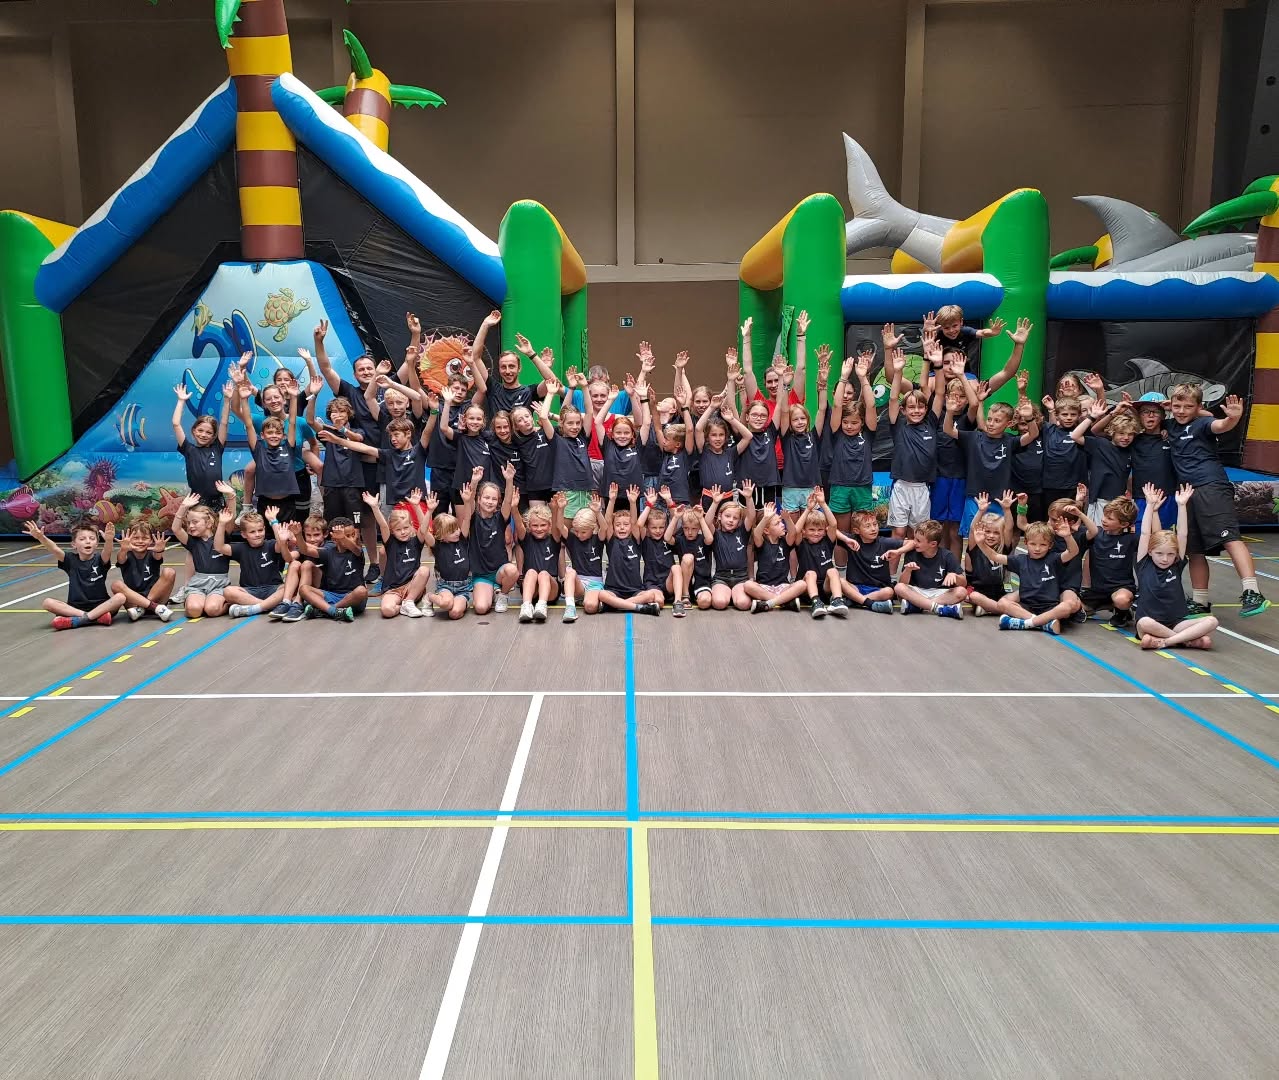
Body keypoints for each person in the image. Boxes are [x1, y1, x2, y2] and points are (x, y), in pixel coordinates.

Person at [1165, 386, 1269, 618]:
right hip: (1186, 492)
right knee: (1193, 549)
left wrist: (1233, 418)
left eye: (1188, 407)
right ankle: (1200, 601)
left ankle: (1253, 592)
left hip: (1210, 486)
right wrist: (1168, 407)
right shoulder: (1170, 425)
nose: (1181, 411)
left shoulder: (1203, 424)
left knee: (1229, 537)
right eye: (1177, 406)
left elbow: (1219, 425)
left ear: (1199, 407)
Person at [310, 319, 387, 588]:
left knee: (372, 517)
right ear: (354, 375)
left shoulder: (387, 394)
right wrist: (319, 341)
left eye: (369, 368)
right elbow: (326, 368)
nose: (365, 372)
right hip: (354, 466)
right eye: (361, 369)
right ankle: (352, 564)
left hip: (378, 464)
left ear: (376, 371)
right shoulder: (348, 392)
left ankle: (378, 565)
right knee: (354, 518)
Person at [1134, 483, 1219, 648]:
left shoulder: (1176, 565)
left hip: (1176, 623)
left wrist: (1181, 506)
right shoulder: (1144, 563)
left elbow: (1182, 534)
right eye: (1159, 553)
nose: (1165, 559)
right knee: (1144, 623)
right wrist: (1149, 505)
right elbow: (1145, 533)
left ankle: (1166, 641)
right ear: (1150, 551)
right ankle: (1187, 640)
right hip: (1151, 623)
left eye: (1170, 554)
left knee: (1212, 621)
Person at [23, 519, 125, 629]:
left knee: (120, 597)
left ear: (96, 544)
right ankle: (92, 617)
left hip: (101, 606)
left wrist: (109, 540)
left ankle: (80, 620)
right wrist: (41, 537)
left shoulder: (100, 559)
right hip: (75, 608)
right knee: (47, 603)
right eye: (82, 539)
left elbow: (107, 551)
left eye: (92, 538)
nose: (88, 541)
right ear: (73, 544)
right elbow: (54, 549)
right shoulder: (70, 560)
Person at [983, 518, 1080, 634]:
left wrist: (1068, 536)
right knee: (1002, 603)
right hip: (1026, 607)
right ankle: (1041, 623)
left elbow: (1073, 551)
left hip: (1050, 608)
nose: (1037, 548)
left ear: (1050, 545)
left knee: (1066, 607)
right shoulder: (1020, 560)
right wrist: (980, 543)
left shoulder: (1054, 559)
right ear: (1025, 542)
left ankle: (1026, 623)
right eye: (1033, 544)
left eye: (1043, 544)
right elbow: (994, 556)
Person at [825, 355, 878, 559]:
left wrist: (863, 378)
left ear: (862, 423)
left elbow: (871, 406)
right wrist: (843, 377)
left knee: (864, 530)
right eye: (846, 422)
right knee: (842, 532)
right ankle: (841, 569)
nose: (848, 426)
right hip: (840, 486)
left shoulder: (868, 433)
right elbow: (838, 406)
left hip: (862, 487)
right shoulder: (837, 432)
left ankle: (863, 567)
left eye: (854, 423)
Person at [886, 346, 938, 538]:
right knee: (899, 531)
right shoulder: (898, 425)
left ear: (926, 409)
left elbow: (939, 393)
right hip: (901, 486)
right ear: (903, 410)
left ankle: (913, 559)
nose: (916, 411)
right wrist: (898, 372)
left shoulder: (931, 424)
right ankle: (893, 560)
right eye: (911, 407)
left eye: (920, 407)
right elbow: (893, 399)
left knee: (918, 533)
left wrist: (935, 363)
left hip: (922, 488)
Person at [233, 377, 300, 522]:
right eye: (269, 433)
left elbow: (292, 422)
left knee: (287, 535)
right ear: (262, 435)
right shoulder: (258, 450)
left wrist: (294, 397)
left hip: (287, 504)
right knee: (267, 536)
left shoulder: (288, 447)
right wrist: (244, 399)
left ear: (283, 435)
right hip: (265, 504)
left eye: (277, 433)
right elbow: (249, 424)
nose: (274, 435)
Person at [363, 490, 433, 618]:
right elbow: (383, 525)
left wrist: (418, 507)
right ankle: (404, 607)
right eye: (398, 529)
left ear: (411, 526)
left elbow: (423, 528)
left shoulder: (416, 541)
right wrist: (375, 508)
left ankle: (409, 601)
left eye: (406, 528)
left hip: (412, 586)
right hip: (393, 589)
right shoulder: (390, 542)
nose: (403, 532)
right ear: (392, 531)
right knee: (387, 610)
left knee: (424, 570)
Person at [599, 484, 663, 614]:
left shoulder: (635, 540)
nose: (622, 527)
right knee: (601, 594)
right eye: (618, 525)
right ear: (614, 527)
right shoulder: (612, 540)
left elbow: (635, 522)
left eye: (625, 524)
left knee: (651, 595)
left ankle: (616, 605)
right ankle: (637, 607)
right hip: (613, 589)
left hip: (635, 590)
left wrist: (633, 503)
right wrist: (612, 500)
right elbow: (607, 521)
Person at [776, 367, 828, 526]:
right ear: (790, 423)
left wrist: (823, 384)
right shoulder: (787, 438)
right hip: (791, 488)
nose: (799, 422)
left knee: (812, 529)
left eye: (802, 419)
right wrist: (786, 386)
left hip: (811, 488)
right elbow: (784, 411)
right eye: (795, 419)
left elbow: (822, 409)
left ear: (807, 419)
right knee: (793, 530)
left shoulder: (814, 436)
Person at [214, 506, 287, 619]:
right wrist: (222, 524)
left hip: (273, 588)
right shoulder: (240, 548)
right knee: (228, 591)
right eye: (252, 532)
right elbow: (219, 547)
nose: (257, 534)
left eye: (260, 530)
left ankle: (255, 608)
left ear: (264, 529)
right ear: (244, 534)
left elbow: (281, 542)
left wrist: (273, 521)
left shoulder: (271, 545)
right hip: (250, 591)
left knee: (288, 588)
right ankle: (267, 606)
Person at [1071, 398, 1135, 524]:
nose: (1126, 437)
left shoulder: (1130, 449)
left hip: (1120, 502)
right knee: (1098, 532)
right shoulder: (1100, 444)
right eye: (1121, 433)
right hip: (1099, 501)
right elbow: (1075, 436)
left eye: (1130, 434)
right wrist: (1091, 417)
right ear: (1112, 433)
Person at [1077, 495, 1138, 627]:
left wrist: (1152, 508)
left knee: (1121, 600)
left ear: (1124, 524)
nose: (1104, 520)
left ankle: (1122, 612)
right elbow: (1076, 527)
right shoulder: (1096, 534)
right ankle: (1101, 605)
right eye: (1104, 516)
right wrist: (1079, 502)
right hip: (1096, 590)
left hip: (1120, 588)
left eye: (1110, 518)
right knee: (1073, 607)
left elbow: (1150, 536)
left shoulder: (1131, 539)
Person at [295, 514, 370, 621]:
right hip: (332, 595)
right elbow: (305, 550)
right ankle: (334, 612)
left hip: (353, 598)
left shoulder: (357, 552)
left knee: (361, 591)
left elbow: (355, 549)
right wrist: (298, 535)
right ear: (334, 539)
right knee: (304, 589)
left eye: (352, 535)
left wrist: (343, 538)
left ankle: (328, 610)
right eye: (347, 536)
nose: (352, 538)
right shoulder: (328, 552)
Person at [467, 463, 519, 615]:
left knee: (512, 570)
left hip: (499, 571)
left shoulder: (500, 518)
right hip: (481, 575)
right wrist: (474, 481)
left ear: (498, 502)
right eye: (486, 498)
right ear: (479, 499)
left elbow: (508, 501)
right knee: (481, 608)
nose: (490, 501)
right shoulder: (473, 518)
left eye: (494, 499)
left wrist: (509, 479)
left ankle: (503, 594)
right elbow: (469, 501)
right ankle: (490, 591)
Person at [171, 379, 232, 508]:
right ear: (194, 431)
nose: (203, 435)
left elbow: (224, 423)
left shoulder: (217, 448)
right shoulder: (188, 449)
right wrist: (181, 401)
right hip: (196, 502)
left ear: (214, 435)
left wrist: (227, 400)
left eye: (209, 432)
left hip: (217, 502)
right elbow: (176, 424)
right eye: (200, 430)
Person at [171, 491, 232, 618]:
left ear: (209, 523)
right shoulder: (192, 542)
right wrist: (183, 507)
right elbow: (176, 529)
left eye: (195, 522)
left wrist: (231, 496)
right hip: (198, 584)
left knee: (212, 609)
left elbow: (231, 516)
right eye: (189, 523)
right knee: (194, 610)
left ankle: (228, 603)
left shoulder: (221, 537)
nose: (190, 526)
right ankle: (193, 600)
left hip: (219, 584)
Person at [838, 510, 912, 614]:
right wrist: (846, 539)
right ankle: (867, 602)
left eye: (875, 524)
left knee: (889, 592)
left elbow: (912, 543)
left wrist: (898, 552)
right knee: (840, 581)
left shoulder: (883, 542)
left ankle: (856, 600)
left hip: (878, 589)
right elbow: (830, 529)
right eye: (867, 526)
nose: (873, 529)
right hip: (856, 587)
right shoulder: (852, 541)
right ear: (857, 530)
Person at [791, 489, 848, 618]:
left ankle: (837, 600)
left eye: (820, 530)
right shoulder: (802, 544)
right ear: (804, 531)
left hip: (825, 588)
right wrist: (808, 509)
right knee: (811, 573)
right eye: (811, 530)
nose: (816, 533)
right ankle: (815, 602)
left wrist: (822, 504)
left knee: (833, 571)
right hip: (807, 589)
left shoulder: (827, 541)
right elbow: (796, 530)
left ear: (824, 531)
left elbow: (833, 524)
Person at [894, 519, 966, 618]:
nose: (914, 542)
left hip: (939, 593)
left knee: (962, 592)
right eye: (914, 539)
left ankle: (919, 605)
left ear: (933, 544)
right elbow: (903, 583)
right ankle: (939, 608)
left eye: (918, 541)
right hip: (918, 591)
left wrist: (955, 576)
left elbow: (963, 583)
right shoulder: (911, 554)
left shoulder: (947, 556)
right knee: (899, 588)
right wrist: (908, 570)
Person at [746, 502, 810, 613]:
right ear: (766, 530)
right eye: (777, 523)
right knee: (748, 585)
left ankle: (769, 603)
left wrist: (788, 519)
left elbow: (793, 533)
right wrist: (766, 518)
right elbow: (756, 533)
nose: (782, 525)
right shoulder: (761, 543)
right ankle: (784, 601)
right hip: (764, 587)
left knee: (802, 584)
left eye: (781, 522)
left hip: (783, 587)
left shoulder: (785, 542)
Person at [423, 484, 475, 620]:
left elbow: (467, 518)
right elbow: (423, 531)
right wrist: (429, 511)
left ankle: (462, 603)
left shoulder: (462, 539)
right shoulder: (437, 545)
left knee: (455, 613)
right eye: (452, 531)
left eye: (457, 528)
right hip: (445, 585)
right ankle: (429, 597)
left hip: (463, 587)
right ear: (441, 534)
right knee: (446, 603)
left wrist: (467, 502)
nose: (457, 532)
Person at [540, 392, 593, 516]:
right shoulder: (556, 439)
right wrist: (550, 393)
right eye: (570, 423)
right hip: (566, 491)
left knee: (586, 526)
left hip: (586, 491)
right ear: (561, 423)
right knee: (564, 527)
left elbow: (590, 412)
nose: (575, 427)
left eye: (578, 423)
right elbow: (543, 417)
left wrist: (585, 387)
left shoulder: (583, 437)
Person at [706, 481, 757, 611]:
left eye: (735, 518)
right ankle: (727, 593)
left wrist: (749, 498)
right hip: (721, 577)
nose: (731, 520)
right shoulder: (716, 534)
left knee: (743, 604)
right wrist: (715, 503)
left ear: (739, 521)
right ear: (720, 517)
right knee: (719, 603)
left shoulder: (742, 532)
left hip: (741, 577)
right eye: (727, 516)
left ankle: (736, 594)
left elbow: (751, 516)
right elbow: (707, 522)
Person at [111, 523, 175, 622]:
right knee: (116, 585)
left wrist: (159, 550)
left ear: (151, 540)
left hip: (156, 598)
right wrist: (123, 549)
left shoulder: (153, 553)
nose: (140, 541)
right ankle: (152, 607)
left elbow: (157, 556)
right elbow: (120, 559)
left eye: (144, 538)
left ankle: (145, 606)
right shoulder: (126, 555)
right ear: (129, 539)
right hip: (134, 602)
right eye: (136, 538)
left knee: (169, 572)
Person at [964, 491, 1015, 616]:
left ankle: (990, 608)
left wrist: (1007, 510)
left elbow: (1009, 528)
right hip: (978, 592)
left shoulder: (1003, 549)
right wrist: (981, 511)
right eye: (987, 531)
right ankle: (1003, 609)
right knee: (973, 596)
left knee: (1020, 594)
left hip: (999, 593)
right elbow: (972, 529)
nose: (991, 536)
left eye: (996, 533)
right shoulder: (975, 547)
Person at [514, 498, 563, 623]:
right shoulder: (526, 539)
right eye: (535, 525)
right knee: (531, 572)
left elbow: (557, 526)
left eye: (543, 525)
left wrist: (555, 510)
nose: (539, 528)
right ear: (529, 526)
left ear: (549, 525)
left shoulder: (554, 539)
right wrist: (514, 508)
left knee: (543, 574)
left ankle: (542, 605)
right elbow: (519, 525)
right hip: (531, 589)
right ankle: (526, 606)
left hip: (550, 589)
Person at [637, 489, 685, 615]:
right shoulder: (645, 539)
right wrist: (649, 504)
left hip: (668, 583)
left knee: (676, 567)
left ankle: (678, 602)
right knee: (659, 601)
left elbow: (676, 520)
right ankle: (652, 598)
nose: (658, 531)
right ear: (648, 528)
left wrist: (669, 501)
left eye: (661, 527)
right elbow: (639, 524)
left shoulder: (668, 538)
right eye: (654, 527)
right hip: (652, 583)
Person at [562, 495, 607, 622]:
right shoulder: (572, 539)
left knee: (590, 607)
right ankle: (570, 607)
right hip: (579, 583)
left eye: (583, 532)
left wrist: (597, 512)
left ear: (592, 528)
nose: (579, 535)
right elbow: (560, 526)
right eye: (576, 531)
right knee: (570, 572)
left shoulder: (598, 539)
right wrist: (560, 509)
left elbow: (604, 527)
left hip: (595, 583)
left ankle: (591, 599)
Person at [1040, 395, 1086, 507]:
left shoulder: (1082, 432)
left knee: (1072, 515)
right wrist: (1051, 410)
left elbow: (1096, 419)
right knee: (1051, 515)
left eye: (1073, 414)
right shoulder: (1048, 429)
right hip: (1050, 486)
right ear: (1057, 415)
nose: (1069, 418)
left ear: (1079, 415)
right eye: (1065, 414)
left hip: (1074, 487)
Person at [672, 503, 714, 612]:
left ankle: (697, 596)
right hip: (686, 583)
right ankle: (685, 595)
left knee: (705, 602)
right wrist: (676, 517)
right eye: (686, 528)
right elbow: (667, 538)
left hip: (702, 582)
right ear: (682, 527)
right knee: (688, 557)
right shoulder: (680, 540)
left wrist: (701, 518)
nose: (690, 532)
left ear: (699, 528)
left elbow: (710, 539)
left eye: (694, 529)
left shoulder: (702, 539)